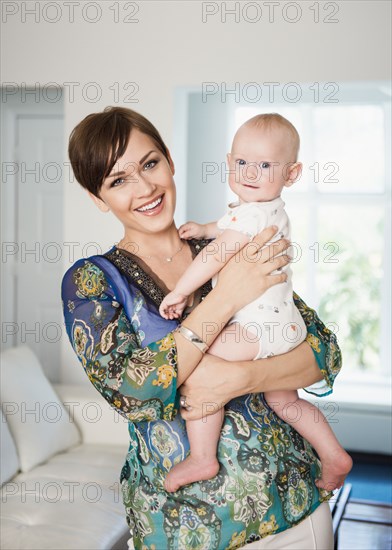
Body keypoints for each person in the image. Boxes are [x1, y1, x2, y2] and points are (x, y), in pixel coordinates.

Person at [62, 106, 341, 550]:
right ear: (98, 198)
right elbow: (135, 393)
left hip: (293, 509)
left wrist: (241, 377)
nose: (146, 187)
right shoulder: (91, 282)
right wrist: (227, 296)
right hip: (180, 527)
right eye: (118, 180)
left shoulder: (231, 241)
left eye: (150, 164)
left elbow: (323, 351)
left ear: (170, 161)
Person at [160, 114, 352, 495]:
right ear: (230, 162)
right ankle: (333, 454)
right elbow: (229, 228)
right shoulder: (265, 208)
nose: (250, 172)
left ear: (292, 174)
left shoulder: (252, 214)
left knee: (200, 365)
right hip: (286, 327)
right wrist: (205, 228)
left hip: (256, 327)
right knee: (283, 398)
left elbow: (218, 254)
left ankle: (202, 457)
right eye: (242, 162)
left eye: (265, 165)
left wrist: (181, 290)